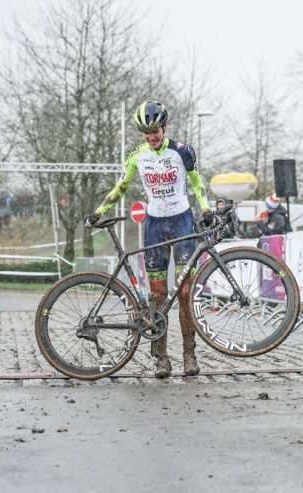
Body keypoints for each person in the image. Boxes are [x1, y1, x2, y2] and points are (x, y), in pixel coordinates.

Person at [85, 100, 213, 378]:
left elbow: (197, 182)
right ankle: (162, 359)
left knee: (184, 293)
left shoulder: (182, 152)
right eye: (146, 132)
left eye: (155, 130)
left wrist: (205, 209)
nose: (151, 136)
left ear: (164, 127)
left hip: (183, 224)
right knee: (156, 296)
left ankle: (189, 355)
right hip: (155, 224)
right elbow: (120, 187)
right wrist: (99, 211)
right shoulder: (135, 156)